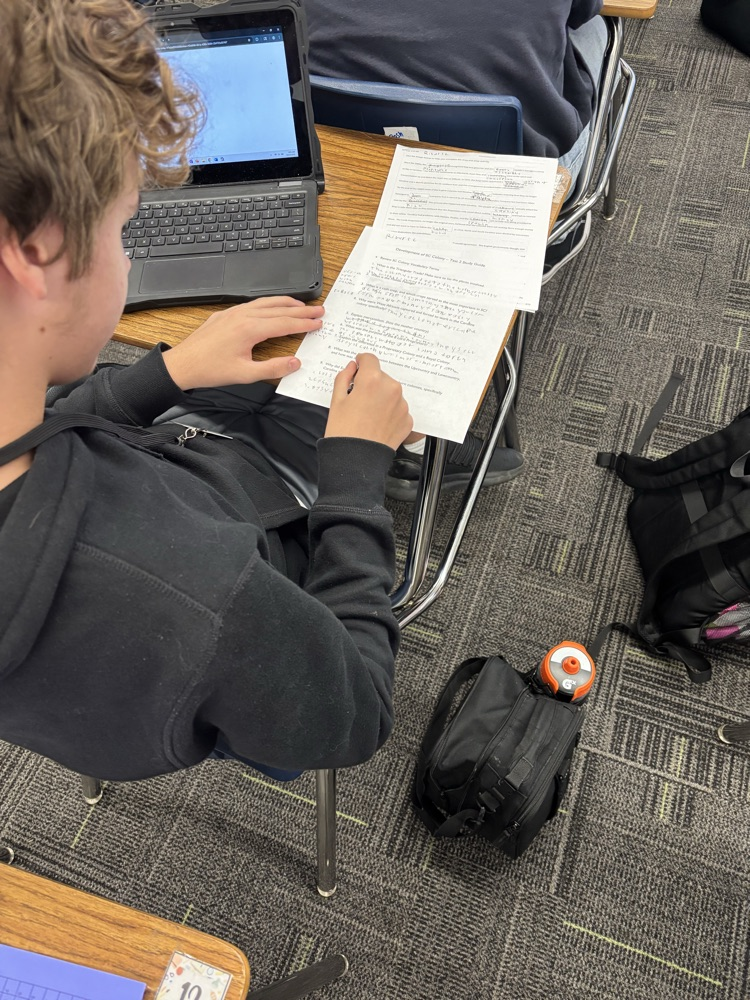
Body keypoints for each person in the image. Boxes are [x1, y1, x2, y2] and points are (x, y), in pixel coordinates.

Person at [0, 0, 414, 781]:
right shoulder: (196, 594)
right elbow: (355, 713)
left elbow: (35, 428)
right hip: (231, 592)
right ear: (38, 249)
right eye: (126, 228)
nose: (127, 263)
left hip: (100, 675)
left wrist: (166, 374)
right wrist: (356, 480)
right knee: (329, 411)